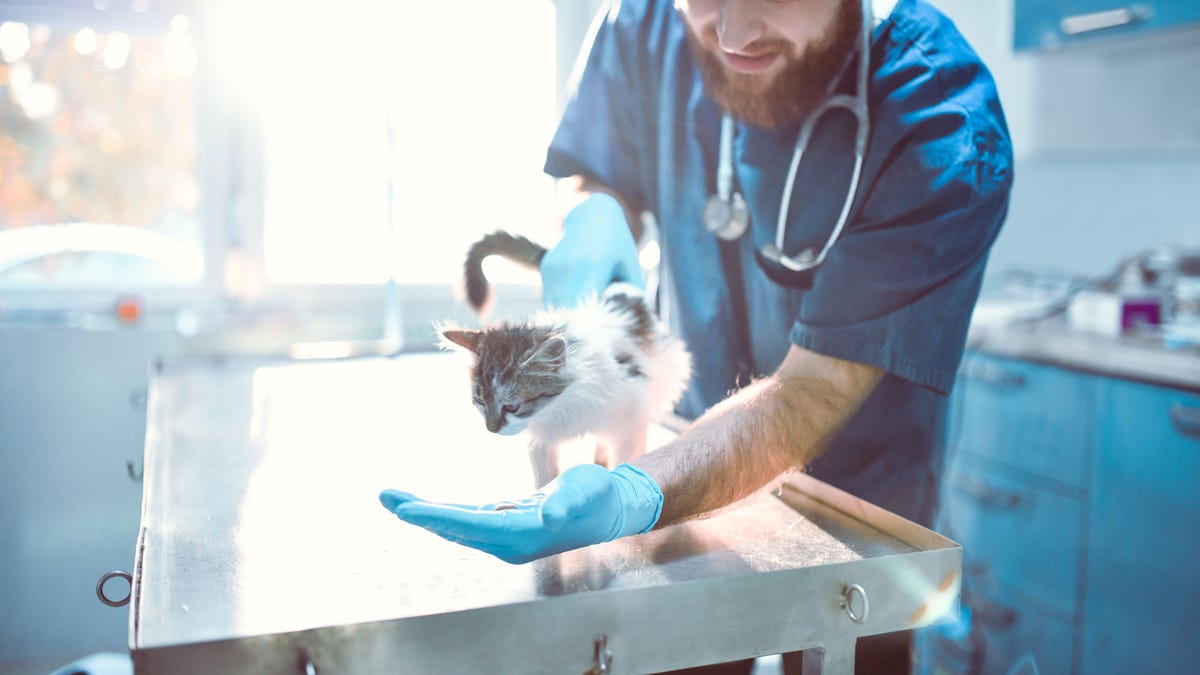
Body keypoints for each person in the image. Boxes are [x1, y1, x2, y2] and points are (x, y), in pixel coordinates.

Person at [380, 0, 1012, 672]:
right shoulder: (640, 24)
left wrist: (634, 492)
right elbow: (595, 169)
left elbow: (814, 389)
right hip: (685, 462)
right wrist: (595, 212)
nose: (734, 34)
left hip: (855, 508)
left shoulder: (938, 115)